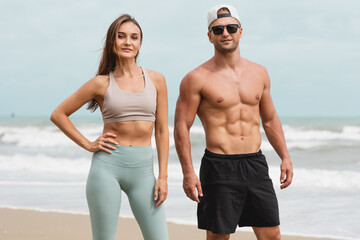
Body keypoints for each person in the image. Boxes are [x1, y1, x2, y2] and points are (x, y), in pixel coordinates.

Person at [174, 4, 293, 240]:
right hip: (219, 167)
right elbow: (181, 128)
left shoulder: (259, 73)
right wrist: (188, 172)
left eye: (231, 27)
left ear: (240, 31)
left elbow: (269, 120)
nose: (225, 33)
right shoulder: (195, 79)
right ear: (210, 36)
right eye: (218, 30)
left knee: (272, 235)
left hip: (255, 163)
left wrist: (285, 157)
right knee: (219, 237)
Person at [50, 14, 169, 240]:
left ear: (140, 43)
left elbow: (162, 130)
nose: (128, 42)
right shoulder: (101, 83)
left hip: (144, 172)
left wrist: (162, 176)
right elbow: (58, 114)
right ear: (112, 43)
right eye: (121, 36)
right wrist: (88, 144)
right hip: (107, 168)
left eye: (134, 37)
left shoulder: (157, 80)